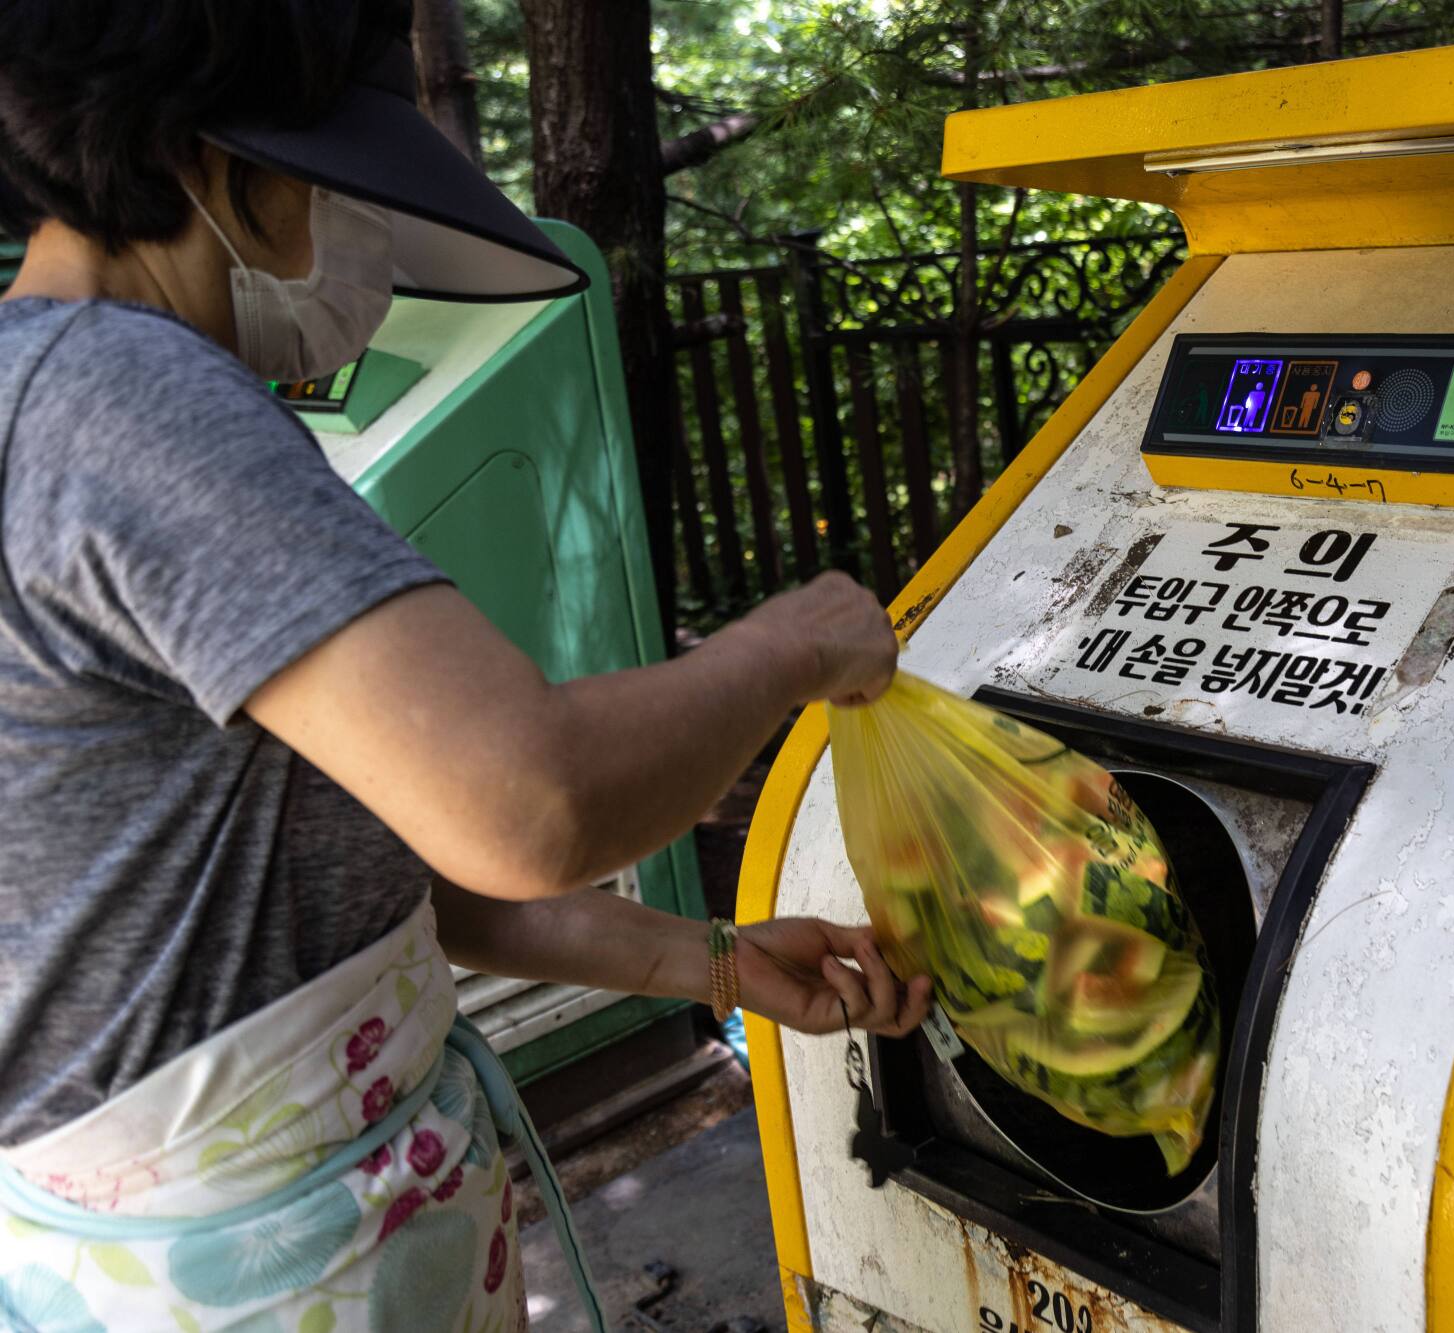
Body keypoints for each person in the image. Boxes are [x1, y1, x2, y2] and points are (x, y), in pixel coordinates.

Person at [0, 2, 929, 1329]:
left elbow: (387, 880)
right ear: (218, 167)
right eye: (339, 189)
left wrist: (721, 962)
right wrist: (786, 647)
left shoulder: (36, 394)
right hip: (260, 1280)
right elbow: (526, 802)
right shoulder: (128, 396)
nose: (362, 243)